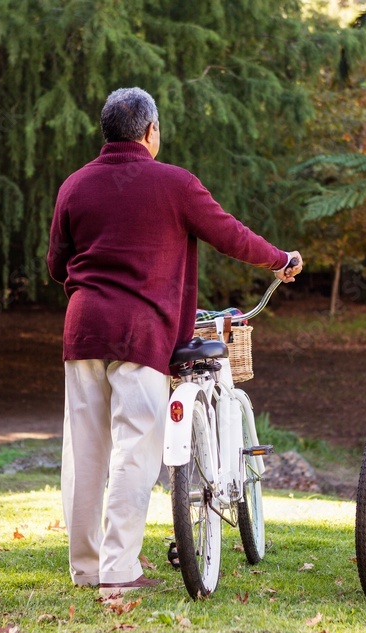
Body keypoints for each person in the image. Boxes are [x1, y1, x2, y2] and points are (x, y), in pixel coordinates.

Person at [47, 87, 302, 594]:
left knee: (84, 453)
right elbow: (230, 234)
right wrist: (280, 259)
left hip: (83, 330)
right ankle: (119, 570)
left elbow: (58, 266)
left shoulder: (73, 186)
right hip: (140, 331)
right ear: (150, 132)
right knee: (135, 450)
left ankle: (85, 568)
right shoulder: (175, 184)